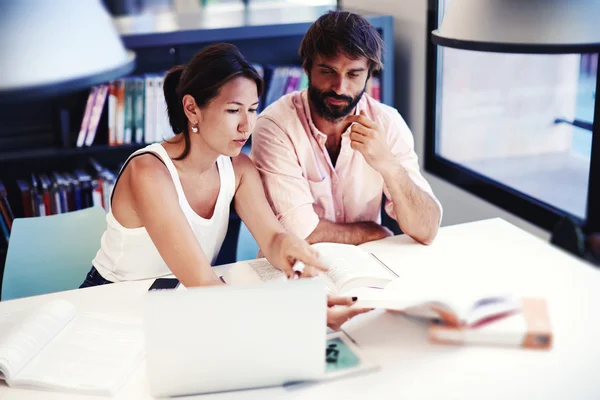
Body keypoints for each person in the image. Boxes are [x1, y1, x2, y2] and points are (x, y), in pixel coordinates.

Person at [79, 43, 370, 329]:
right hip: (109, 305)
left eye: (253, 110)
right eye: (233, 111)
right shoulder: (148, 172)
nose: (247, 126)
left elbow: (271, 240)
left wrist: (290, 248)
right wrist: (298, 311)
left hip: (176, 303)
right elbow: (203, 282)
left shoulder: (239, 168)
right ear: (192, 108)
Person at [251, 11, 443, 246]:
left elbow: (427, 229)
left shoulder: (387, 123)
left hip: (363, 268)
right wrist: (374, 232)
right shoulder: (275, 126)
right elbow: (298, 233)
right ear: (307, 68)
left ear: (369, 75)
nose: (340, 88)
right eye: (327, 71)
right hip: (295, 268)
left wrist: (389, 165)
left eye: (354, 74)